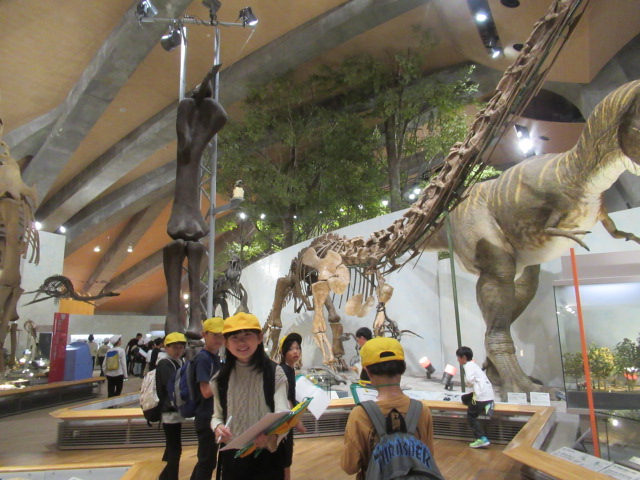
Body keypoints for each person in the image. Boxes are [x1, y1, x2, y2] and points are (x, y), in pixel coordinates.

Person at [341, 337, 435, 479]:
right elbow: (429, 457)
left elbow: (349, 466)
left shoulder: (360, 414)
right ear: (402, 368)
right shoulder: (422, 410)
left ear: (368, 372)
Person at [211, 312, 289, 480]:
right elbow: (217, 416)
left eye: (247, 335)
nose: (241, 343)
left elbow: (283, 415)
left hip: (267, 456)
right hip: (234, 457)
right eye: (234, 337)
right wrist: (218, 427)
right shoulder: (220, 378)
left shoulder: (275, 373)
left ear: (259, 338)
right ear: (226, 343)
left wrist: (272, 437)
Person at [190, 317, 224, 480]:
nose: (219, 339)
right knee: (207, 462)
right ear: (204, 335)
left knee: (207, 461)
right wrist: (225, 375)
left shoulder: (214, 358)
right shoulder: (203, 359)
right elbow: (205, 391)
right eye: (215, 335)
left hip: (212, 416)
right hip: (206, 417)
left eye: (222, 335)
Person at [157, 332, 188, 480]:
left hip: (175, 409)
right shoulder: (165, 363)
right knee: (174, 447)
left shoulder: (178, 362)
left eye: (181, 347)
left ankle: (164, 476)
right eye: (175, 347)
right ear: (166, 347)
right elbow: (172, 386)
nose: (178, 350)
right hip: (169, 410)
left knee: (172, 445)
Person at [278, 332, 307, 480]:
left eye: (297, 348)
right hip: (284, 421)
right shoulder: (283, 370)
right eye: (290, 349)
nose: (295, 351)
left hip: (288, 421)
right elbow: (286, 398)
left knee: (286, 458)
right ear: (283, 352)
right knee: (284, 460)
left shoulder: (290, 369)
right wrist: (297, 421)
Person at [456, 346, 495, 449]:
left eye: (458, 357)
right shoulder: (474, 365)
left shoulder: (468, 366)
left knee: (471, 416)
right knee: (464, 398)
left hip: (481, 397)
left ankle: (481, 438)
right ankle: (487, 405)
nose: (457, 360)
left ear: (463, 357)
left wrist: (468, 383)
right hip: (489, 396)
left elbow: (469, 381)